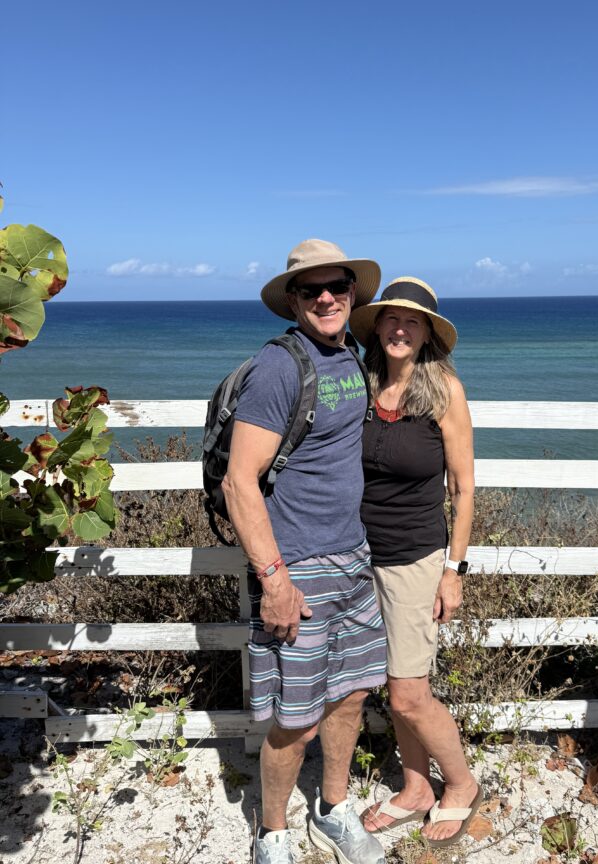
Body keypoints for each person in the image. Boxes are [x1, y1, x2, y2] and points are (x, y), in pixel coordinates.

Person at [222, 239, 388, 864]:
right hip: (298, 566)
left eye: (337, 287)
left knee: (350, 695)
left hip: (353, 558)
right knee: (296, 718)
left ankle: (334, 808)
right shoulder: (279, 367)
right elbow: (240, 481)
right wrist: (275, 580)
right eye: (311, 289)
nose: (326, 298)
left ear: (353, 293)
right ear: (292, 299)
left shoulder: (351, 356)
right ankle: (272, 834)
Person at [349, 277, 482, 848]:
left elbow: (465, 488)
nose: (400, 329)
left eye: (413, 321)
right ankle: (414, 788)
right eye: (390, 319)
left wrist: (455, 569)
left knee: (409, 691)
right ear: (377, 327)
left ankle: (460, 784)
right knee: (388, 682)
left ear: (428, 333)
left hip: (415, 562)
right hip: (356, 558)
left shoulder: (445, 391)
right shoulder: (359, 384)